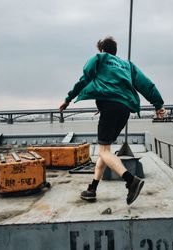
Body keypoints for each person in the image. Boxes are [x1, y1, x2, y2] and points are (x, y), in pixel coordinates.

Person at [59, 36, 166, 205]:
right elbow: (146, 84)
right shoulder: (127, 65)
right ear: (115, 51)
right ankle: (92, 189)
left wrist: (68, 98)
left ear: (101, 50)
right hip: (124, 109)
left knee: (103, 151)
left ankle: (131, 181)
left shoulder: (99, 59)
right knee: (105, 150)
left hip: (110, 107)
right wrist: (158, 104)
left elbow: (85, 78)